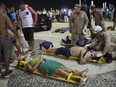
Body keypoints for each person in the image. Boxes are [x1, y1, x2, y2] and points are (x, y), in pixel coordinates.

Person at [20, 57, 89, 83]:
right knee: (59, 70)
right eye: (25, 57)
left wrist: (41, 59)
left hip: (48, 62)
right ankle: (75, 78)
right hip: (44, 66)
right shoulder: (27, 63)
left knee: (65, 68)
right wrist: (39, 61)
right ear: (24, 60)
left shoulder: (33, 57)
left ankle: (80, 73)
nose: (27, 56)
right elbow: (31, 70)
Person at [0, 4, 17, 77]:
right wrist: (16, 34)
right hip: (4, 38)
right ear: (3, 8)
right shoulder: (5, 16)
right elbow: (12, 28)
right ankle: (7, 71)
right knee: (7, 55)